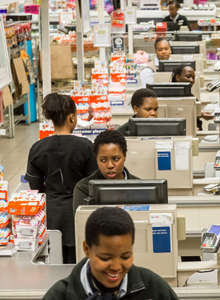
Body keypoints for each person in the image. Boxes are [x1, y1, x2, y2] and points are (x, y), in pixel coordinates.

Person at [42, 206, 179, 300]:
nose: (116, 267)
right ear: (87, 249)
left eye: (125, 256)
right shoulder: (60, 296)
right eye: (105, 258)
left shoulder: (153, 289)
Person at [25, 93, 97, 264]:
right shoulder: (86, 147)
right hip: (78, 216)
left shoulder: (37, 148)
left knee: (53, 265)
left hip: (49, 220)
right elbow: (94, 186)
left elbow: (35, 188)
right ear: (72, 118)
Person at [73, 130, 139, 212]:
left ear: (124, 156)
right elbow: (82, 222)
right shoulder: (84, 188)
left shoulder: (140, 187)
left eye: (116, 159)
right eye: (103, 160)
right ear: (96, 159)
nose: (110, 165)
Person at [171, 65, 213, 130]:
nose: (191, 80)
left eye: (193, 78)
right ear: (178, 77)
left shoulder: (191, 96)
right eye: (188, 76)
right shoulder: (170, 96)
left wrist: (200, 113)